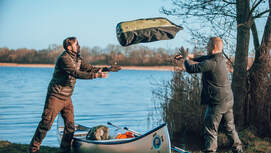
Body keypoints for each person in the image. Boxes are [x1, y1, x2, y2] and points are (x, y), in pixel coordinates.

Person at [28, 37, 118, 153]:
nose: (79, 46)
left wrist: (108, 68)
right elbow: (75, 73)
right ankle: (33, 149)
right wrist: (96, 76)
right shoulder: (64, 59)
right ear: (69, 47)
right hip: (55, 96)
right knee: (46, 124)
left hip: (67, 97)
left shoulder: (78, 58)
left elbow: (90, 69)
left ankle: (65, 150)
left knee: (70, 126)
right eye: (77, 44)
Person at [175, 37, 243, 153]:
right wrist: (189, 56)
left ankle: (210, 151)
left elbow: (191, 69)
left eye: (208, 45)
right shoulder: (219, 58)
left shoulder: (211, 63)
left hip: (217, 102)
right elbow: (203, 58)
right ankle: (238, 150)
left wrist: (186, 59)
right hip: (228, 99)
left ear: (213, 47)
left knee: (210, 129)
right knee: (230, 127)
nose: (206, 47)